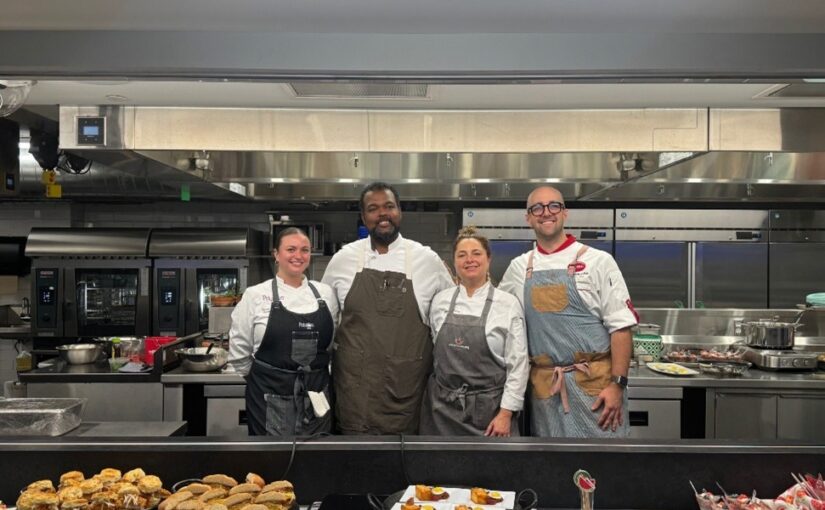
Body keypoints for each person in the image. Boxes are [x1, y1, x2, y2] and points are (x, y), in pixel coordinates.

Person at [499, 186, 638, 438]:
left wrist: (617, 385)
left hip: (597, 391)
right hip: (545, 393)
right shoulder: (518, 268)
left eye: (554, 206)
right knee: (552, 460)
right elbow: (499, 320)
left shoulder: (599, 261)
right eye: (537, 208)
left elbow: (621, 327)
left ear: (565, 213)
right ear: (528, 218)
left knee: (603, 461)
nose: (546, 213)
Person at [322, 182, 454, 435]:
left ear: (399, 211)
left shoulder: (427, 260)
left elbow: (448, 322)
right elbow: (327, 322)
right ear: (364, 217)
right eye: (373, 209)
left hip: (406, 396)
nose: (383, 214)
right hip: (354, 396)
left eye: (389, 206)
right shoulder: (342, 260)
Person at [228, 227, 340, 436]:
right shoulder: (255, 295)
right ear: (276, 254)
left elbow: (331, 345)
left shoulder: (326, 294)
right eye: (291, 249)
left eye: (305, 250)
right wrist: (271, 378)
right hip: (268, 398)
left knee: (318, 454)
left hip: (317, 398)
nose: (298, 255)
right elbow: (239, 353)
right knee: (272, 456)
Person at [420, 226, 529, 437]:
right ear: (454, 262)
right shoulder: (440, 301)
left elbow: (518, 365)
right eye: (462, 255)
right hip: (441, 410)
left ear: (488, 259)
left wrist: (506, 414)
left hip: (490, 414)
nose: (469, 260)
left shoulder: (507, 304)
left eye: (476, 253)